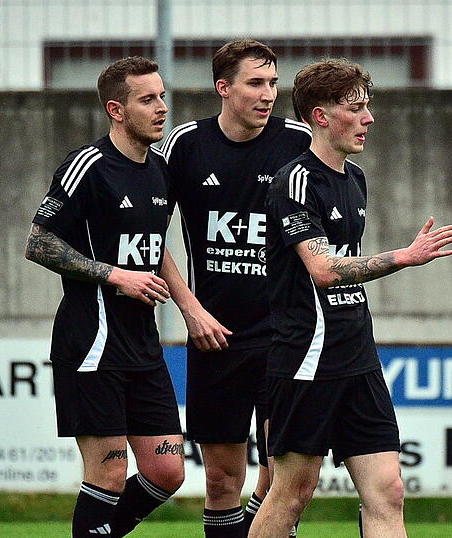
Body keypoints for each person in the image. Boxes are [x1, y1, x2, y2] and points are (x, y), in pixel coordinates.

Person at [249, 59, 452, 538]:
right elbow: (323, 269)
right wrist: (403, 258)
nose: (369, 119)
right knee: (291, 494)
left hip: (358, 357)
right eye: (357, 108)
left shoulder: (355, 177)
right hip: (308, 357)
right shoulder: (295, 181)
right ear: (321, 116)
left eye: (368, 108)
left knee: (388, 491)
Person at [25, 56, 184, 537]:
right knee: (109, 473)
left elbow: (155, 251)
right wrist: (114, 276)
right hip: (93, 344)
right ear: (116, 109)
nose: (161, 107)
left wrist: (190, 307)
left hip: (143, 346)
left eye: (162, 95)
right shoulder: (87, 166)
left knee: (167, 472)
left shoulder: (160, 170)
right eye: (147, 99)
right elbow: (39, 242)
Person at [158, 39, 311, 537]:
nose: (268, 94)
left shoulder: (299, 142)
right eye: (255, 83)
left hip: (284, 335)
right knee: (223, 479)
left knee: (284, 476)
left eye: (272, 83)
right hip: (215, 336)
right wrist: (191, 309)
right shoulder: (184, 145)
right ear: (223, 88)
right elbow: (146, 234)